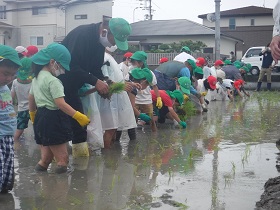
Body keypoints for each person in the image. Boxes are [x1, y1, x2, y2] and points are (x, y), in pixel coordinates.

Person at [59, 17, 131, 154]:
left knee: (79, 126)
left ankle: (79, 161)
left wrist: (107, 81)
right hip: (61, 84)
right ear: (105, 31)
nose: (112, 44)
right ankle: (69, 162)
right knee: (67, 125)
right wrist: (96, 82)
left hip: (75, 86)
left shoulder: (99, 42)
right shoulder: (82, 35)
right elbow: (70, 66)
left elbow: (95, 68)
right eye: (113, 40)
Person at [28, 43, 90, 174]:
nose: (62, 70)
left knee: (45, 160)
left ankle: (42, 184)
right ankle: (60, 192)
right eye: (61, 66)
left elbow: (31, 98)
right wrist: (79, 116)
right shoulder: (53, 81)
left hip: (40, 118)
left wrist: (33, 114)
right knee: (63, 160)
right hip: (53, 118)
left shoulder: (36, 78)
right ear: (52, 62)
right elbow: (60, 104)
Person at [96, 46, 137, 148]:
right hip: (109, 99)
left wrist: (130, 84)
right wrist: (121, 86)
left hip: (115, 98)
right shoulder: (104, 57)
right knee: (110, 128)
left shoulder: (110, 57)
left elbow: (116, 78)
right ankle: (107, 155)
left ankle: (111, 156)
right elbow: (104, 78)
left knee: (114, 128)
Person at [0, 45, 22, 193]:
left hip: (7, 137)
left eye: (12, 75)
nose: (8, 78)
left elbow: (8, 108)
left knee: (7, 174)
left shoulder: (5, 88)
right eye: (5, 73)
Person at [129, 51, 162, 131]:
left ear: (141, 62)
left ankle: (154, 136)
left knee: (151, 120)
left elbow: (154, 86)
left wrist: (158, 98)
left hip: (146, 99)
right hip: (134, 99)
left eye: (135, 62)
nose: (133, 63)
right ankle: (133, 137)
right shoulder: (130, 72)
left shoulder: (149, 73)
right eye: (132, 61)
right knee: (132, 120)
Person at [11, 57, 33, 141]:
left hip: (21, 109)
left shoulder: (15, 82)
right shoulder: (33, 81)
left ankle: (15, 146)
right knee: (38, 130)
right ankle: (41, 149)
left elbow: (11, 97)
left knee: (19, 130)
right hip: (33, 109)